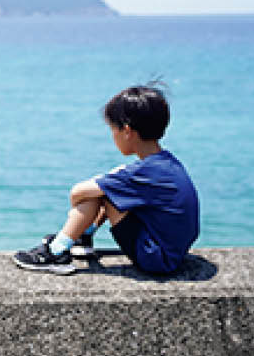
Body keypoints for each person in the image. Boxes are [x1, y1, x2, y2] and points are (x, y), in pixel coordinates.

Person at [12, 84, 199, 275]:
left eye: (113, 130)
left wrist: (85, 204)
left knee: (102, 192)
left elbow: (77, 192)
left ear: (127, 131)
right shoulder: (166, 163)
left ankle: (56, 251)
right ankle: (82, 237)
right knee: (111, 186)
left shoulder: (143, 173)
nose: (113, 136)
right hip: (174, 252)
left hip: (156, 259)